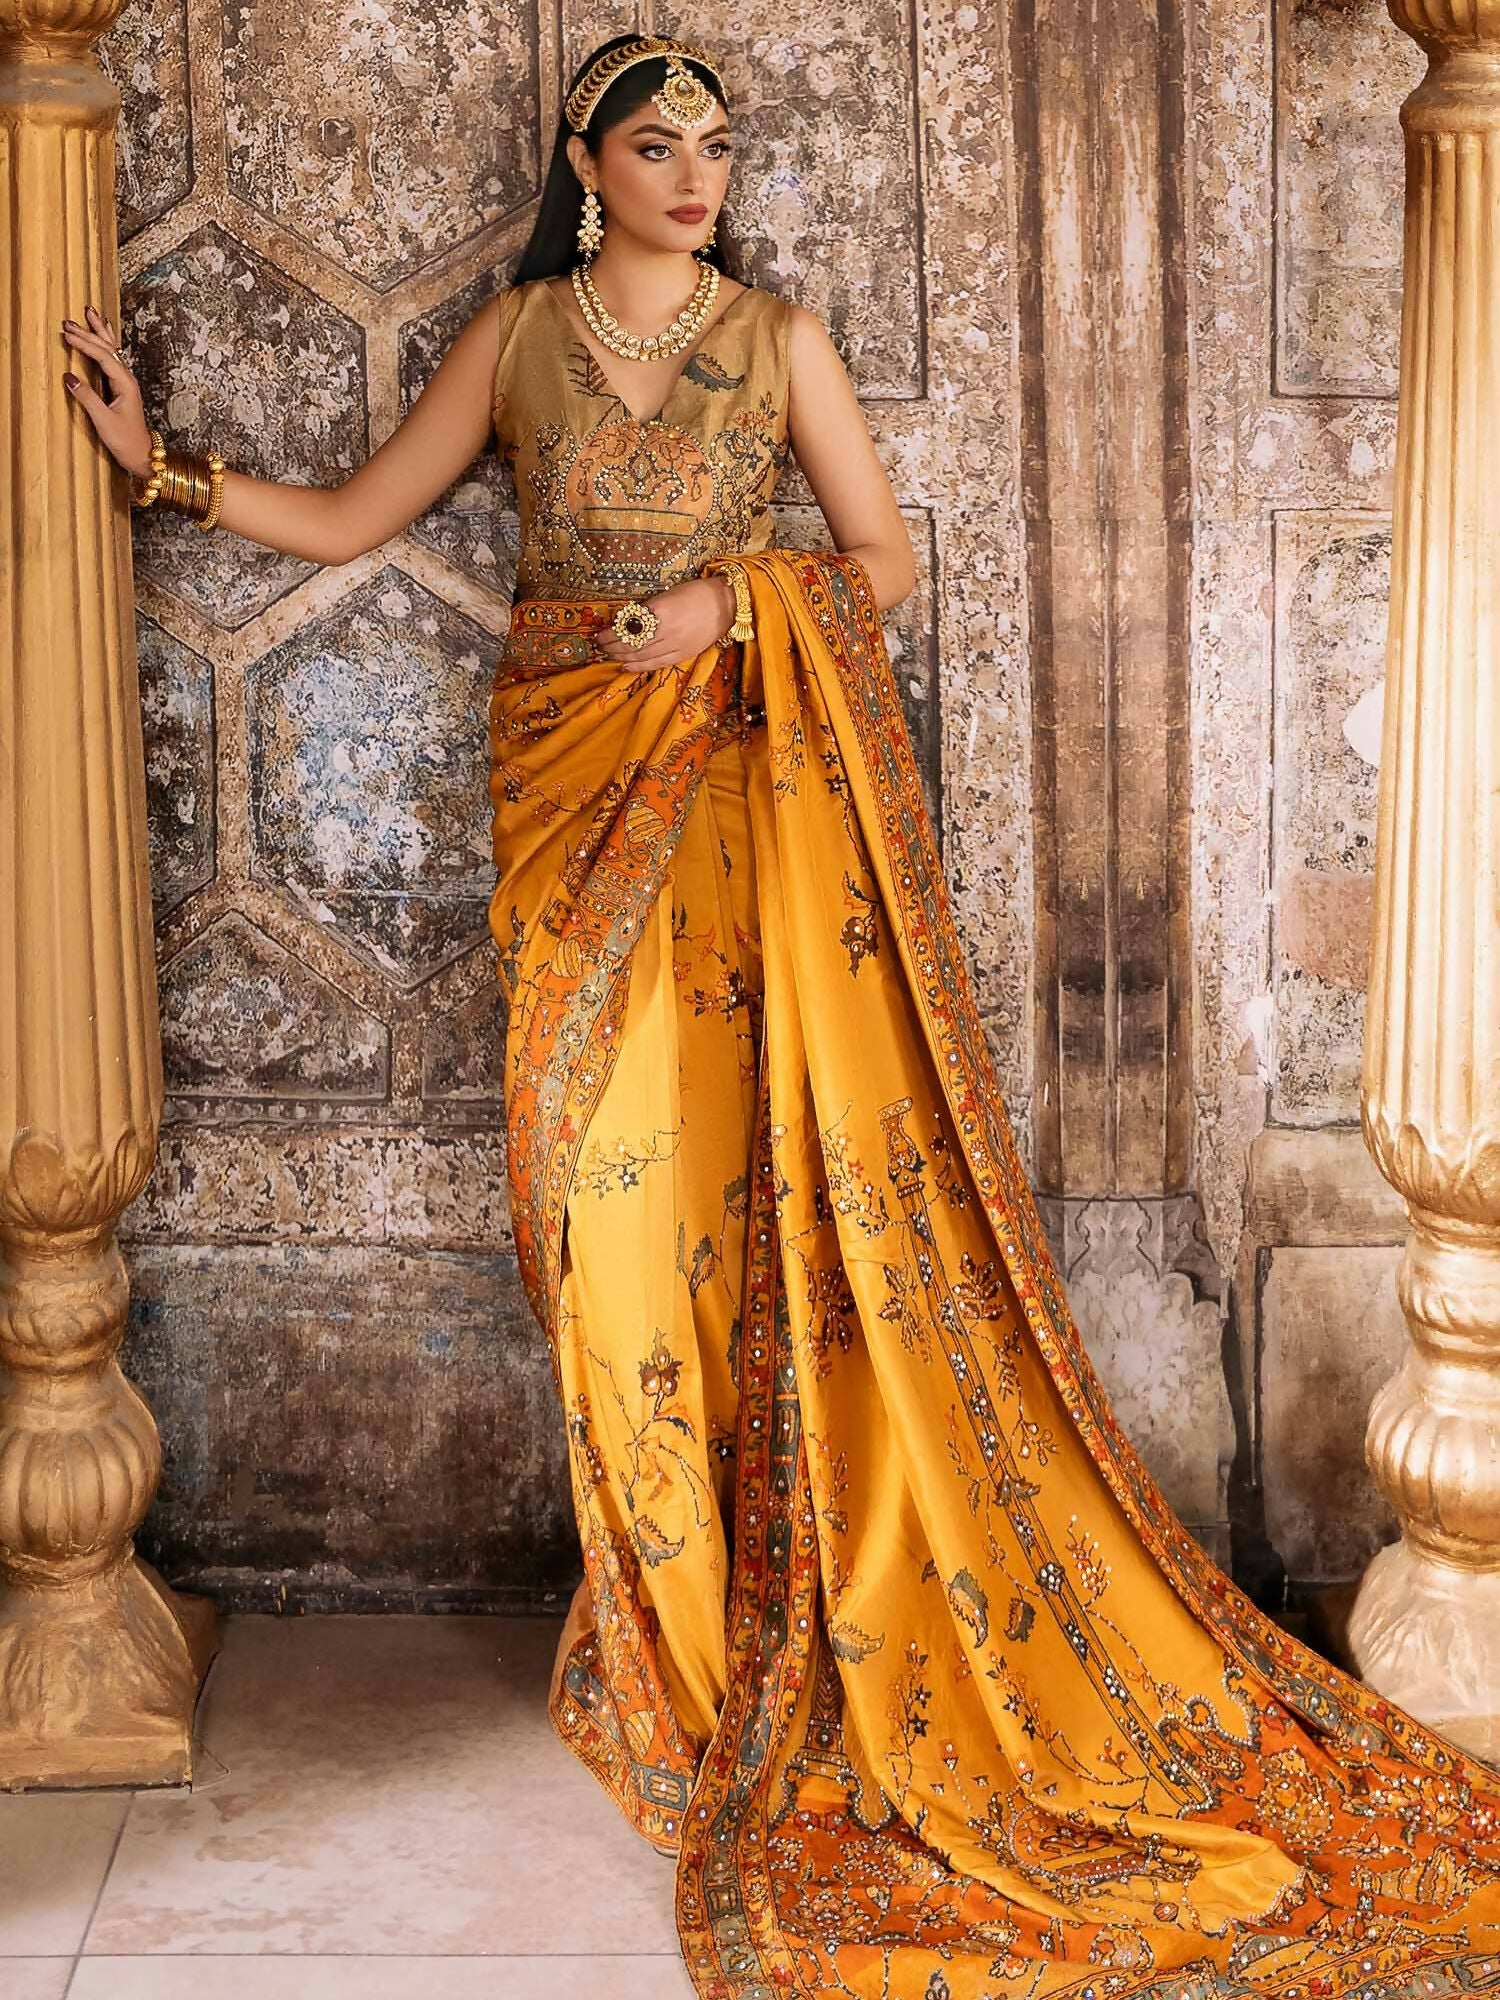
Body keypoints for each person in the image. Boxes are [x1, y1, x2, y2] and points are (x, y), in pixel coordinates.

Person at [63, 31, 1500, 1999]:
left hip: (743, 820)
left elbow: (878, 564)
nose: (698, 174)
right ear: (588, 163)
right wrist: (164, 468)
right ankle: (679, 1649)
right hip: (574, 810)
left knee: (769, 1217)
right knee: (614, 1242)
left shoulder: (780, 341)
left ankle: (795, 1616)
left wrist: (730, 608)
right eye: (660, 144)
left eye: (720, 146)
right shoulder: (521, 340)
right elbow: (353, 514)